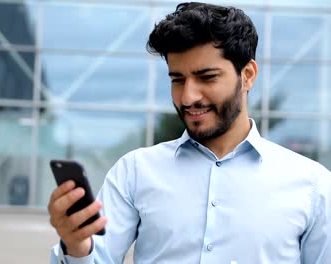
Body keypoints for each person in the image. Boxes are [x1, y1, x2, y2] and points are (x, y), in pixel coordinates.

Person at [47, 2, 331, 263]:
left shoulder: (313, 186)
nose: (188, 97)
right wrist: (76, 247)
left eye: (207, 77)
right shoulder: (135, 172)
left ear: (247, 76)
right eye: (178, 80)